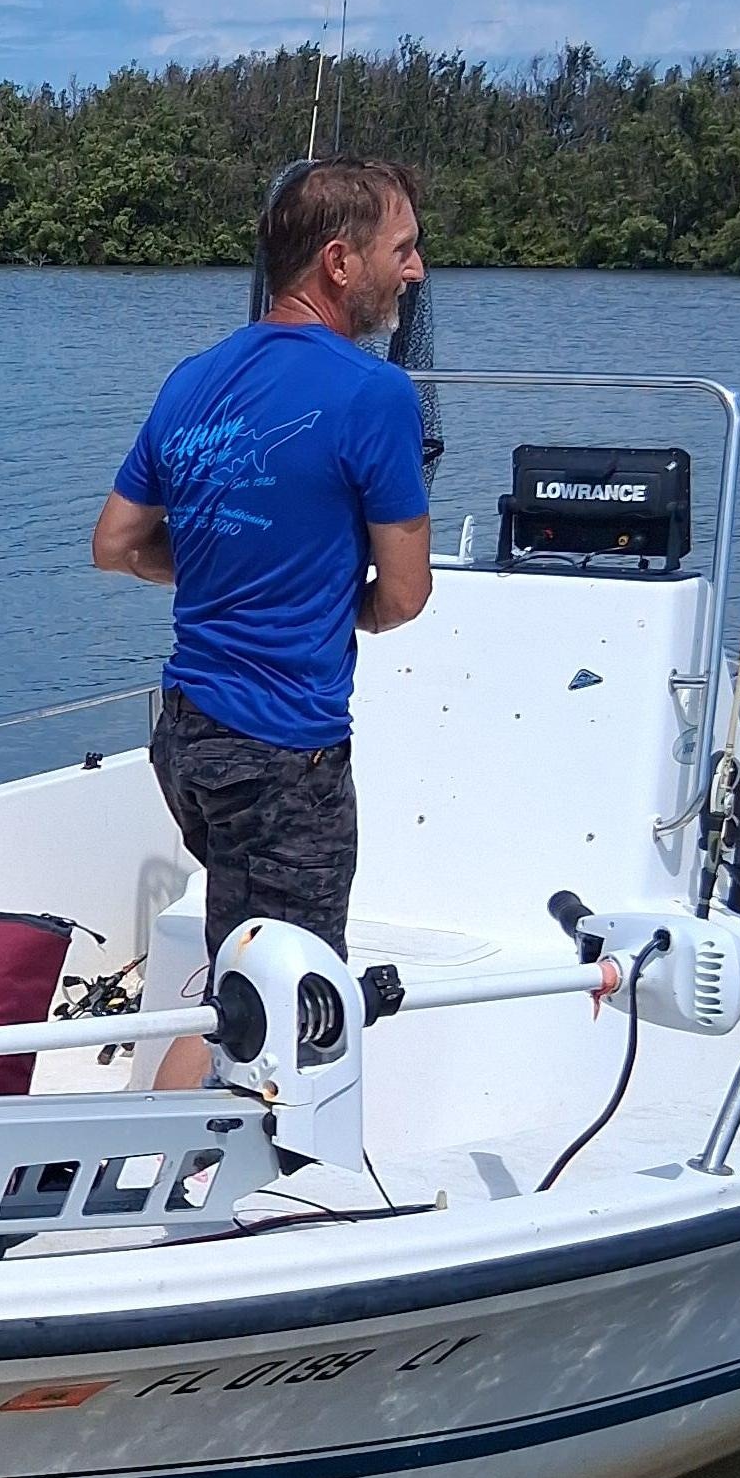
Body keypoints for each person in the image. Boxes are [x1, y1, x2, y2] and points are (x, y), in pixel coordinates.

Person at [91, 159, 433, 1082]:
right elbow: (404, 598)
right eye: (401, 250)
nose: (417, 272)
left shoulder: (193, 378)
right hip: (287, 756)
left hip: (189, 738)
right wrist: (327, 600)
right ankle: (214, 1184)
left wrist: (214, 572)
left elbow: (115, 543)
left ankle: (182, 1162)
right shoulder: (377, 396)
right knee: (288, 992)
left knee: (239, 957)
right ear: (339, 262)